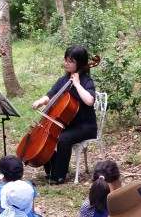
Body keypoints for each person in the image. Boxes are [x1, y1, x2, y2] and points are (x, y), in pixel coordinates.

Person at [30, 44, 97, 185]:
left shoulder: (86, 81)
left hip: (85, 125)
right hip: (67, 123)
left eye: (71, 61)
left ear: (79, 63)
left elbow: (90, 101)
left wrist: (77, 84)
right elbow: (50, 95)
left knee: (63, 138)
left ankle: (59, 176)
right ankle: (53, 168)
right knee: (47, 136)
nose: (66, 63)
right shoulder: (63, 80)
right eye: (66, 60)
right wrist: (40, 101)